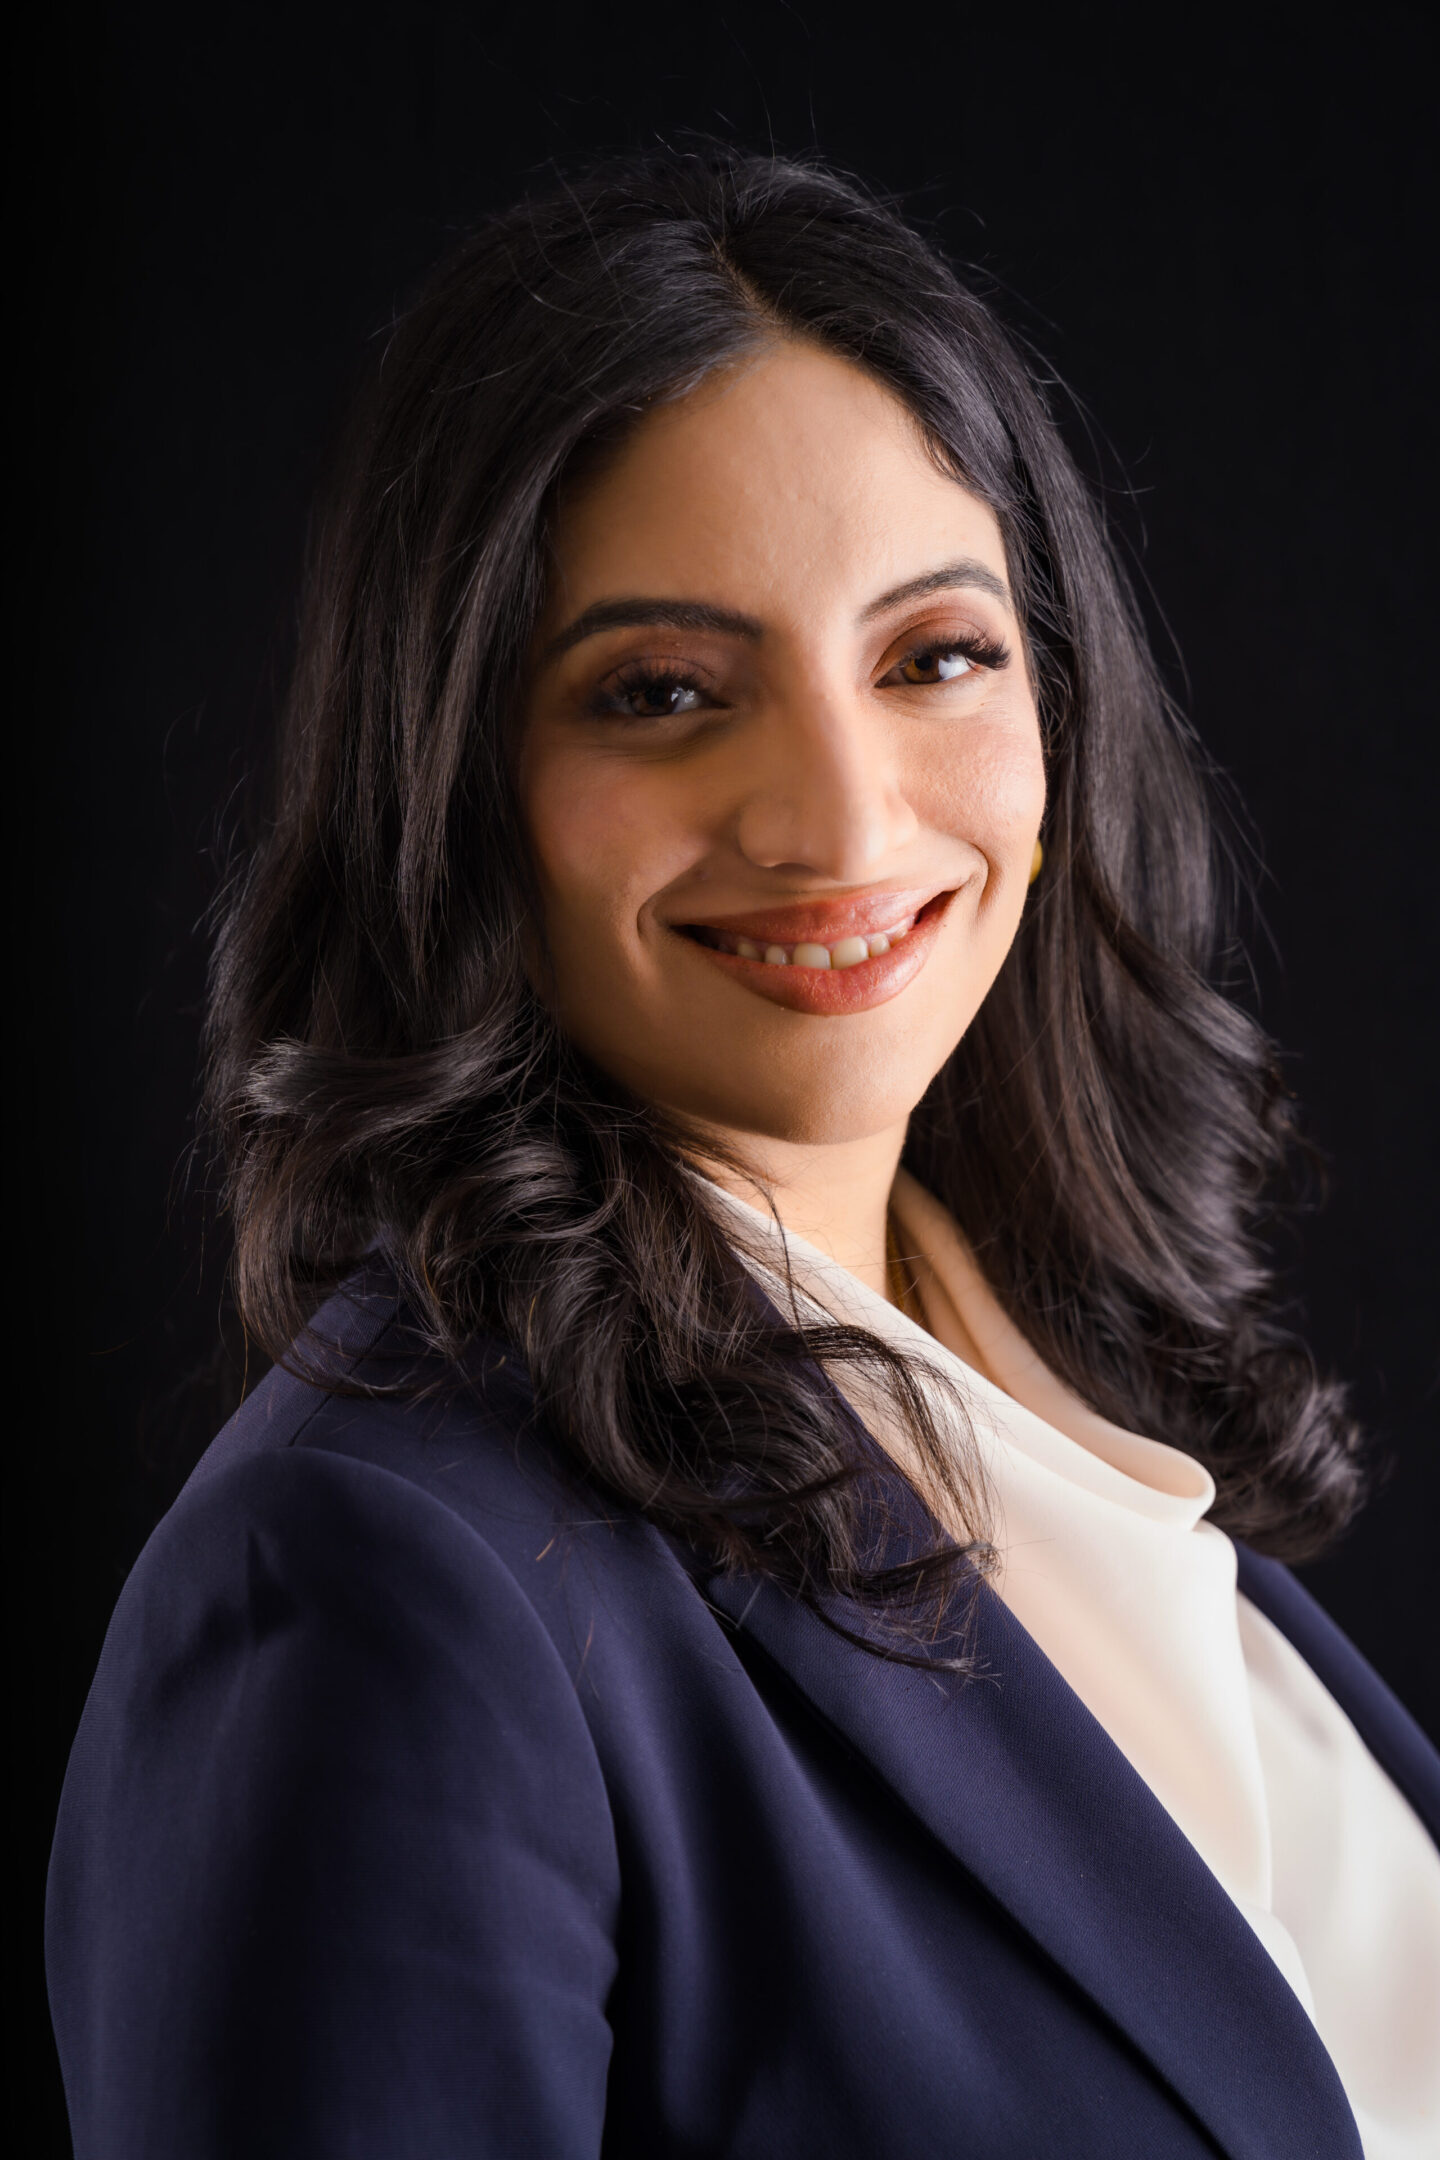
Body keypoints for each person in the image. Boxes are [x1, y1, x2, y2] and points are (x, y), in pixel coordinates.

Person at [45, 148, 1439, 2160]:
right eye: (667, 693)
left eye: (935, 653)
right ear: (458, 786)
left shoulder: (1066, 1436)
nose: (842, 823)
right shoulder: (373, 1581)